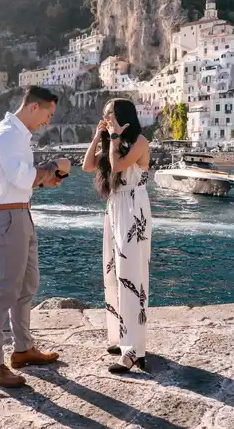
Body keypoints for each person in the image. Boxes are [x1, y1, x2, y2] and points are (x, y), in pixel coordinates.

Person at [0, 85, 72, 388]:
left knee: (27, 285)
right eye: (48, 114)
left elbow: (20, 181)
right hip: (8, 219)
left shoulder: (18, 136)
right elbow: (21, 177)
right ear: (34, 107)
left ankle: (22, 350)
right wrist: (52, 166)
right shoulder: (8, 134)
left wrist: (44, 181)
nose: (48, 121)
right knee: (4, 291)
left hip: (19, 215)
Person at [82, 98, 152, 374]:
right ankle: (122, 339)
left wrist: (113, 138)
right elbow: (88, 166)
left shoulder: (140, 142)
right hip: (115, 208)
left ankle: (134, 351)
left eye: (109, 114)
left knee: (131, 276)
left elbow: (118, 165)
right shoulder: (113, 141)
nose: (106, 118)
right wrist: (98, 136)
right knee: (113, 273)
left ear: (123, 116)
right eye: (104, 115)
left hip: (133, 209)